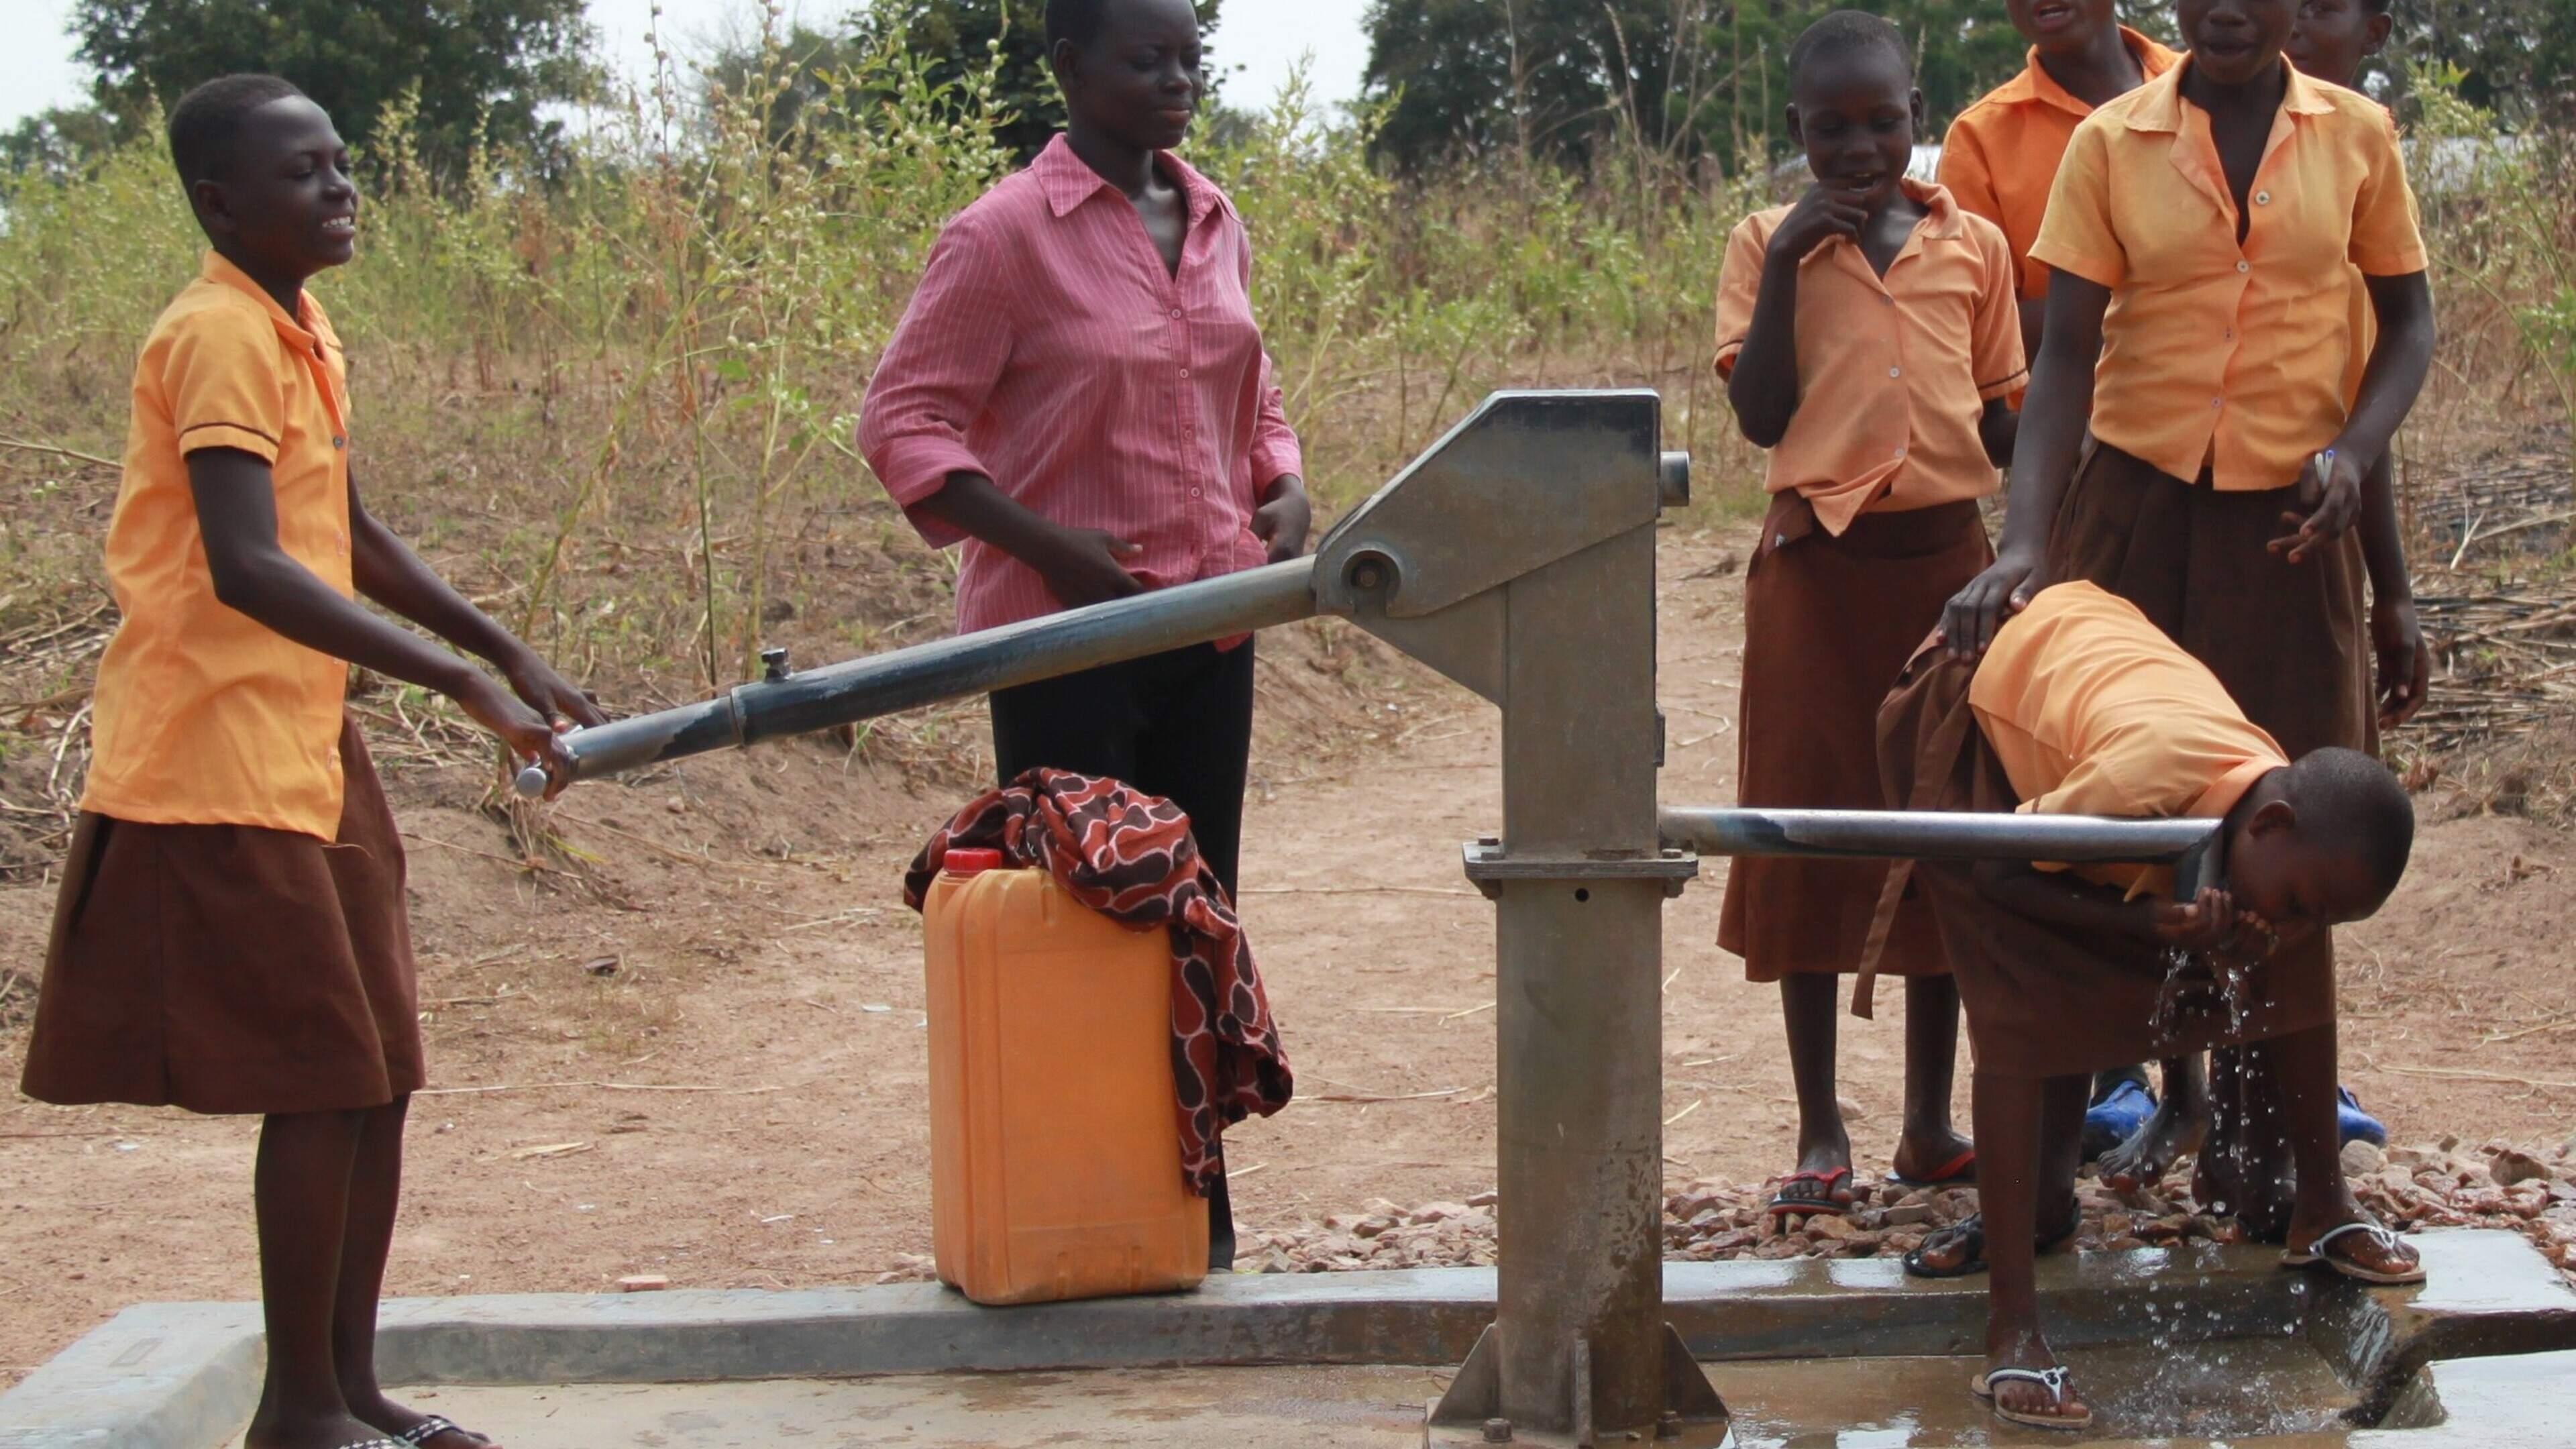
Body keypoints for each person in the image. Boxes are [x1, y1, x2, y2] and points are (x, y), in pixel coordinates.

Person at [19, 75, 597, 1449]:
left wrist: (501, 644)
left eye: (343, 164)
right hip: (211, 755)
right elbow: (247, 562)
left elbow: (345, 524)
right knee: (326, 1077)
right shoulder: (215, 334)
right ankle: (295, 1412)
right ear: (220, 203)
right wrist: (454, 679)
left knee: (380, 1070)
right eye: (303, 173)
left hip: (302, 746)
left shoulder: (298, 327)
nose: (341, 189)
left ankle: (347, 1389)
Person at [1942, 0, 2434, 1240]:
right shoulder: (2113, 141)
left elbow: (2407, 323)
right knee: (2097, 833)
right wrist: (2026, 545)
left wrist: (2356, 453)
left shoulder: (2359, 136)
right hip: (2135, 519)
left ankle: (2296, 1183)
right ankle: (2041, 1185)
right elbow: (2065, 360)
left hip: (2293, 538)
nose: (2225, 9)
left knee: (2295, 857)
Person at [856, 0, 1309, 1267]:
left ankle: (1190, 1205)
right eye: (1144, 59)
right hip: (1066, 645)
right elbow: (905, 424)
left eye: (1190, 60)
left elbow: (1251, 394)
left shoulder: (1213, 217)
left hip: (1213, 626)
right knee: (1092, 916)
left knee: (1197, 911)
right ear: (1068, 67)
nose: (1176, 82)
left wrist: (1284, 486)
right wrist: (1056, 550)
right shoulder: (1003, 237)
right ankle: (1083, 1193)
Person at [1877, 580, 2422, 1431]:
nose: (2298, 923)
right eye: (2304, 901)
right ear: (2269, 824)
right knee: (2022, 997)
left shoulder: (2272, 809)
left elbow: (2256, 897)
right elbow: (2002, 872)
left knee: (2291, 957)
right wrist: (2144, 919)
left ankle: (2322, 1206)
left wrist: (2242, 930)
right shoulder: (2139, 781)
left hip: (2100, 664)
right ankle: (2013, 1327)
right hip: (1981, 689)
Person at [1712, 9, 2025, 1218]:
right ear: (1795, 134)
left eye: (1882, 122)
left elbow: (2004, 418)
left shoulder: (1975, 246)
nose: (1858, 149)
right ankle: (1818, 1121)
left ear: (1917, 115)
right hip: (1816, 573)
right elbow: (1761, 415)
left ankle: (1928, 1119)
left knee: (1942, 834)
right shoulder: (1761, 245)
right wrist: (1796, 251)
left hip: (1947, 574)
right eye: (1830, 129)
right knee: (1809, 828)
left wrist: (2043, 534)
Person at [1939, 0, 2185, 1166]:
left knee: (2219, 760)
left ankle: (2223, 1065)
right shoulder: (1987, 137)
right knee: (2100, 760)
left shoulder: (2209, 85)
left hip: (2223, 473)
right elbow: (2027, 323)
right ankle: (2106, 1068)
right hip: (2081, 476)